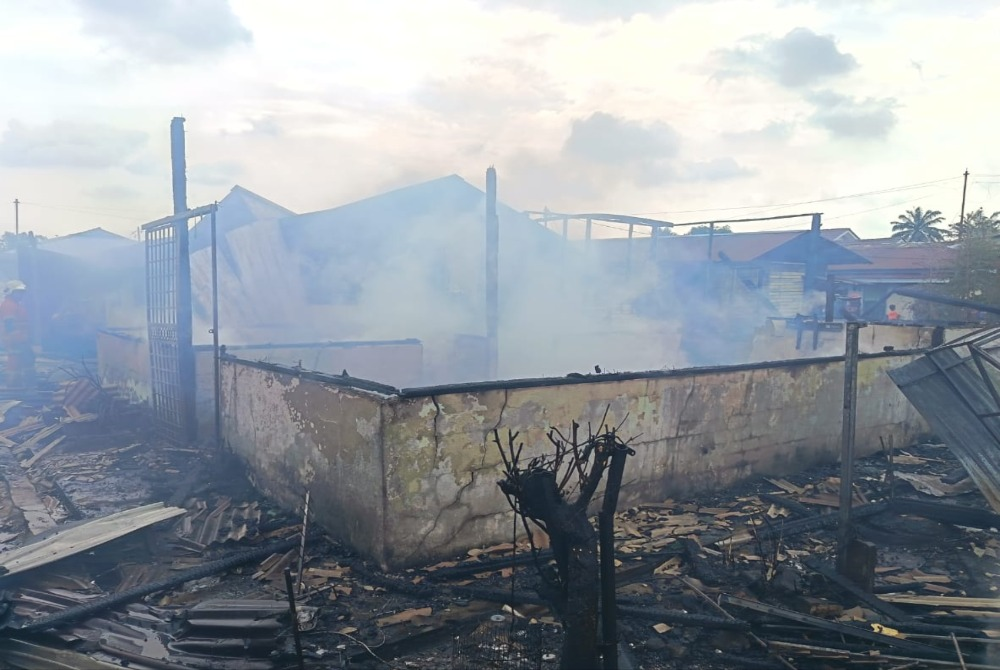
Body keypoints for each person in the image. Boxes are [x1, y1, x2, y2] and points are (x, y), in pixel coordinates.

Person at [0, 281, 35, 389]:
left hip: (19, 339)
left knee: (22, 362)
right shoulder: (9, 305)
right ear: (10, 292)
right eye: (18, 292)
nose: (21, 295)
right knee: (16, 363)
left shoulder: (14, 305)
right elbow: (9, 324)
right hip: (15, 340)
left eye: (22, 292)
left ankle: (21, 386)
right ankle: (16, 387)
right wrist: (18, 339)